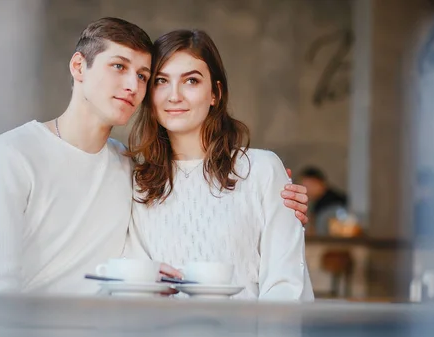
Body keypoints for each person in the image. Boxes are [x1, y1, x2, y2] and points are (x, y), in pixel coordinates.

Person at [0, 18, 310, 295]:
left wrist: (280, 193)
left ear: (215, 94)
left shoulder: (130, 168)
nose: (133, 85)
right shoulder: (15, 155)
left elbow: (285, 284)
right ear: (79, 66)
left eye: (143, 76)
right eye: (119, 67)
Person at [126, 29, 314, 301]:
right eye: (161, 81)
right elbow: (137, 289)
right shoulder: (138, 183)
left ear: (215, 93)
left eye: (191, 80)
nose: (174, 95)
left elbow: (285, 284)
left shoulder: (262, 170)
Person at [299, 166, 347, 235]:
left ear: (319, 183)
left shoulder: (333, 205)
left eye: (308, 186)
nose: (306, 190)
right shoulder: (319, 204)